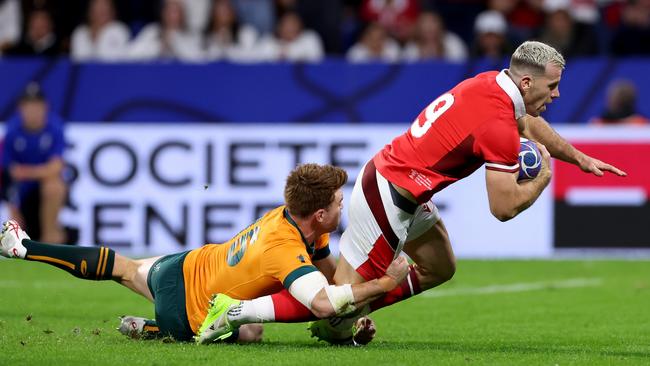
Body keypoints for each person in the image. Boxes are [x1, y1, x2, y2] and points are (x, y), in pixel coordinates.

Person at [198, 40, 627, 344]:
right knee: (335, 301)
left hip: (406, 188)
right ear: (528, 84)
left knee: (439, 266)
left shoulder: (492, 85)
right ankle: (236, 310)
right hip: (389, 197)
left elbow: (527, 124)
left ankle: (341, 323)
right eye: (552, 86)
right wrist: (543, 179)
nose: (558, 94)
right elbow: (502, 208)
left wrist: (578, 158)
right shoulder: (497, 124)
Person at [0, 163, 408, 343]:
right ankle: (160, 329)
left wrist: (349, 323)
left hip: (184, 265)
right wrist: (387, 283)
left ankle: (23, 246)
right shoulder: (284, 247)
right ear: (320, 214)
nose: (344, 205)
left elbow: (335, 281)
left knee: (120, 267)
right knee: (251, 331)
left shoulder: (295, 221)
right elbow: (323, 302)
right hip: (193, 309)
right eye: (339, 202)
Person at [2, 83, 66, 244]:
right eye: (28, 106)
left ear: (45, 107)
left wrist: (26, 172)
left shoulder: (55, 128)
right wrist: (13, 209)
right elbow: (8, 172)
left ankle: (50, 238)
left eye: (36, 106)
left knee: (53, 186)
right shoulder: (12, 130)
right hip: (21, 194)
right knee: (16, 234)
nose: (32, 111)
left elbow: (56, 167)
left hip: (43, 193)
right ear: (20, 108)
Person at [128, 0, 203, 62]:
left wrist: (173, 41)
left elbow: (198, 59)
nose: (172, 16)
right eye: (169, 11)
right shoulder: (152, 30)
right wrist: (158, 46)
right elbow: (132, 54)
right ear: (162, 13)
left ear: (183, 14)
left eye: (176, 12)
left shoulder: (190, 34)